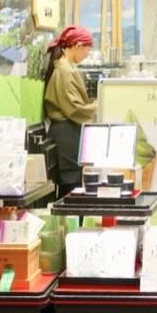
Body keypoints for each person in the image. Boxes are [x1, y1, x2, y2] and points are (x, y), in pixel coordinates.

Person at [43, 25, 96, 198]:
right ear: (78, 45)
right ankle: (71, 224)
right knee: (72, 186)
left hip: (68, 132)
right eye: (87, 50)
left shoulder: (65, 67)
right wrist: (98, 105)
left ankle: (71, 223)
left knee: (73, 184)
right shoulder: (64, 70)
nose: (86, 55)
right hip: (67, 133)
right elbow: (74, 108)